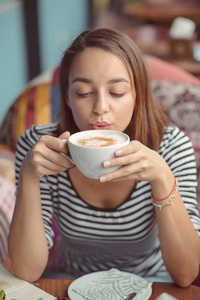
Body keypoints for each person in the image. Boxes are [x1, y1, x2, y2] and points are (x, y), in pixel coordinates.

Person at [8, 28, 200, 287]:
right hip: (70, 281)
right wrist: (29, 175)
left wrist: (163, 178)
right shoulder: (40, 148)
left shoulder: (171, 146)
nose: (100, 108)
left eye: (117, 92)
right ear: (67, 96)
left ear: (137, 96)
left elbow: (186, 274)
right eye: (84, 92)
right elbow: (27, 271)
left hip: (154, 282)